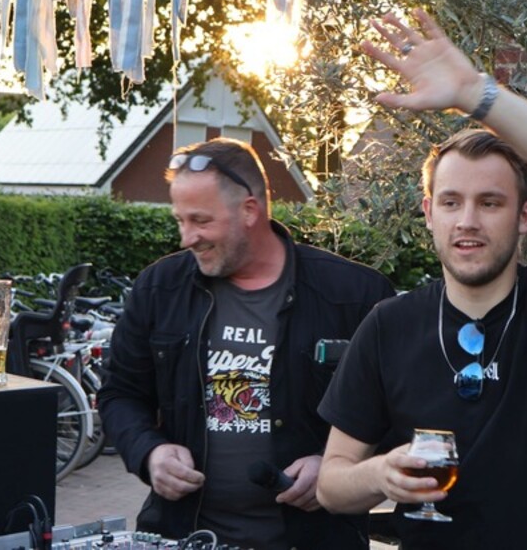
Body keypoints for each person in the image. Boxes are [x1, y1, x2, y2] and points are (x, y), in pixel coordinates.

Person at [316, 8, 527, 548]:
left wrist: (474, 93)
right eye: (451, 202)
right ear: (428, 212)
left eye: (490, 203)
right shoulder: (389, 326)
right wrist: (379, 474)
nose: (467, 221)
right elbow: (330, 485)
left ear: (525, 216)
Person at [97, 137, 396, 549]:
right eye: (180, 220)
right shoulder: (159, 288)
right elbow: (120, 393)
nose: (187, 237)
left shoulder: (354, 294)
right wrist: (150, 453)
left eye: (200, 221)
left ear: (250, 210)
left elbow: (397, 414)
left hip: (314, 538)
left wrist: (338, 468)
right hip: (185, 536)